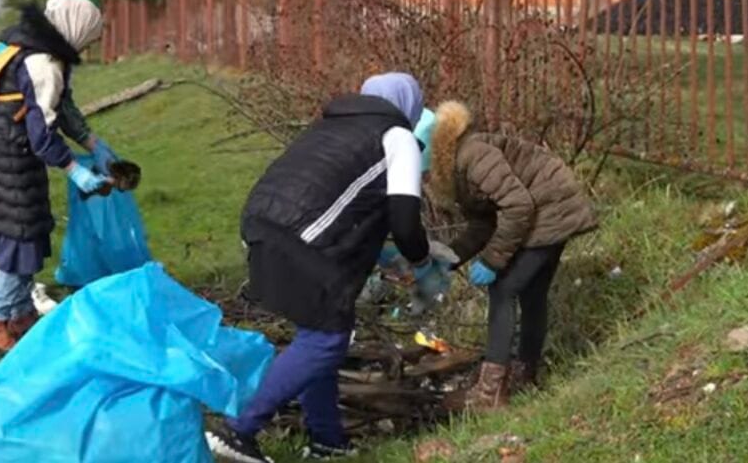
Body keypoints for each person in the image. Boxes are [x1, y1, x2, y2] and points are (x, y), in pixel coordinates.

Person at [207, 73, 452, 462]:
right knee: (327, 340)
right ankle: (238, 430)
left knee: (318, 336)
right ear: (408, 106)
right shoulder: (397, 136)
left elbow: (346, 205)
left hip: (259, 226)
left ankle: (327, 441)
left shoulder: (333, 125)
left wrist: (389, 258)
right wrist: (422, 262)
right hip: (302, 239)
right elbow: (404, 219)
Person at [0, 0, 125, 355]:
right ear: (75, 24)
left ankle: (21, 314)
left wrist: (92, 142)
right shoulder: (42, 62)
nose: (87, 46)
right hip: (7, 158)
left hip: (7, 153)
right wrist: (78, 171)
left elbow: (62, 106)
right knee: (19, 236)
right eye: (87, 37)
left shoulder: (39, 48)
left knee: (32, 231)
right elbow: (41, 134)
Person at [428, 101, 597, 411]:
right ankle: (524, 374)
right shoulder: (459, 167)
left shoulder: (473, 155)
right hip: (547, 207)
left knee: (503, 288)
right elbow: (483, 222)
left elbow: (518, 206)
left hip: (551, 209)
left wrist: (493, 261)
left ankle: (490, 394)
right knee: (531, 294)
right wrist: (449, 259)